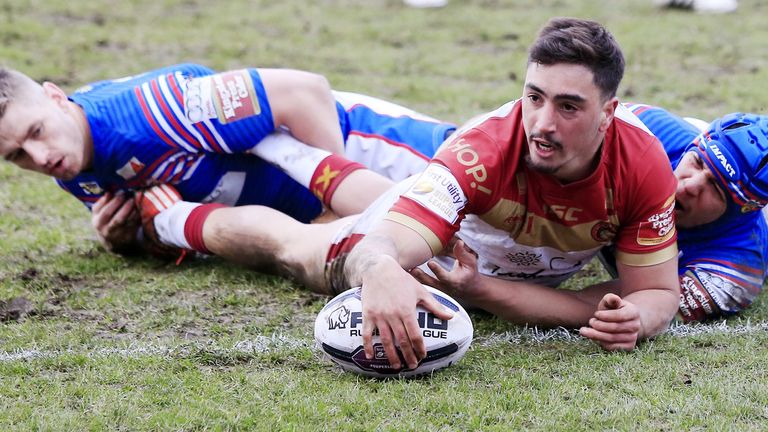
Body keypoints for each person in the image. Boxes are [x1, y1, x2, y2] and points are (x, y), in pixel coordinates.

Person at [135, 18, 682, 368]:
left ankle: (285, 148)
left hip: (475, 272)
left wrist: (637, 318)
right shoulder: (482, 151)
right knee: (300, 250)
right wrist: (380, 272)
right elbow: (383, 246)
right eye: (533, 97)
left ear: (608, 114)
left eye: (568, 106)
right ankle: (168, 217)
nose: (541, 122)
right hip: (433, 249)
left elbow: (656, 293)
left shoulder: (641, 164)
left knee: (374, 196)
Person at [0, 64, 455, 254]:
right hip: (317, 207)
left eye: (35, 132)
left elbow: (304, 92)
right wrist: (127, 238)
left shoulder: (155, 110)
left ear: (56, 97)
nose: (40, 157)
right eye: (17, 155)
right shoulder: (73, 167)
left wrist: (337, 202)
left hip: (376, 147)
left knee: (506, 206)